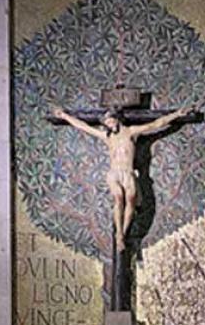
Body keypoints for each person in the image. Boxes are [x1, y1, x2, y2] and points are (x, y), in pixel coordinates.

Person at [51, 105, 193, 252]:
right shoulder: (107, 136)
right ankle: (119, 234)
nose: (109, 124)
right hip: (114, 173)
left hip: (128, 172)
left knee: (131, 200)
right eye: (107, 122)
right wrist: (64, 116)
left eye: (111, 121)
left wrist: (176, 114)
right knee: (119, 198)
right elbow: (83, 126)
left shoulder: (131, 132)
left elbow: (156, 124)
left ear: (118, 119)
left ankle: (122, 235)